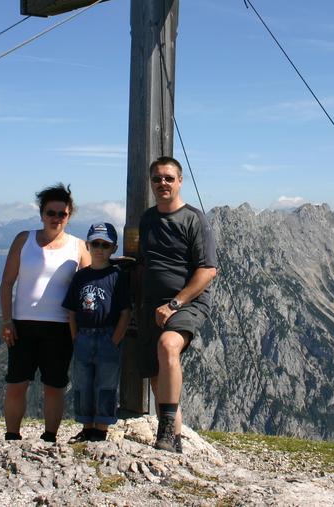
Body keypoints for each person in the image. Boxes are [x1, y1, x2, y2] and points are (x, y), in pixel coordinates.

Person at [137, 156, 217, 453]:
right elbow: (144, 262)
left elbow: (208, 270)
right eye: (157, 178)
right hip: (150, 305)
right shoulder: (147, 219)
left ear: (179, 181)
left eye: (169, 178)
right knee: (159, 379)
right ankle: (174, 439)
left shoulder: (193, 219)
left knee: (169, 346)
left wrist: (174, 303)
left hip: (186, 302)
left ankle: (166, 432)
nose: (163, 184)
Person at [0, 183, 90, 442]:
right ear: (41, 213)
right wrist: (7, 320)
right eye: (51, 213)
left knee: (54, 387)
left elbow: (89, 286)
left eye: (62, 214)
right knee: (16, 384)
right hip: (22, 324)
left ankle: (49, 437)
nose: (56, 218)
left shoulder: (78, 246)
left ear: (69, 215)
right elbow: (7, 283)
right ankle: (12, 437)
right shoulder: (23, 240)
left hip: (60, 327)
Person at [62, 222, 131, 442]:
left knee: (106, 385)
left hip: (107, 336)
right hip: (84, 336)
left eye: (105, 245)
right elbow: (72, 310)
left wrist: (114, 340)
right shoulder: (80, 277)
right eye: (95, 244)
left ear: (114, 248)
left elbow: (125, 312)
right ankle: (86, 427)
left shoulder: (117, 276)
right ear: (88, 246)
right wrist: (75, 337)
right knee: (83, 384)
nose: (100, 248)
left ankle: (101, 429)